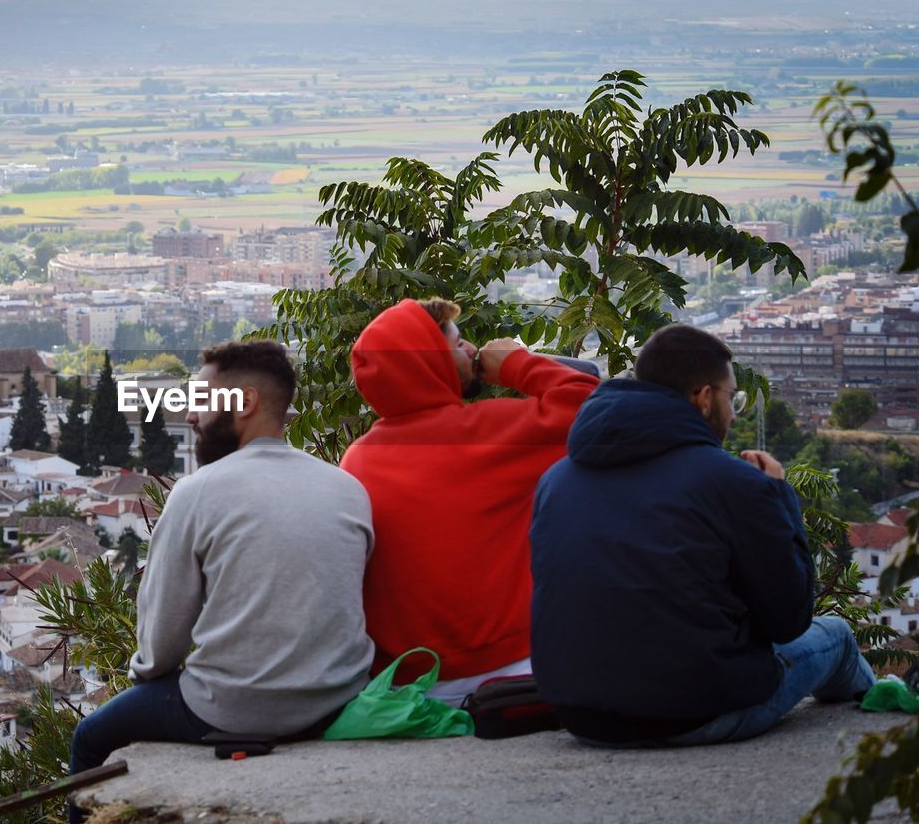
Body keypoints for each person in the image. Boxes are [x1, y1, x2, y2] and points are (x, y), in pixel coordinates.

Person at [68, 340, 374, 819]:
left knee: (89, 739)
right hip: (338, 699)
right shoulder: (347, 488)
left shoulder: (196, 491)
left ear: (245, 403)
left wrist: (149, 682)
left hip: (230, 710)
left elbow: (160, 648)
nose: (191, 415)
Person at [530, 323, 874, 747]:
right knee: (836, 636)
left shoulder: (556, 478)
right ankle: (878, 738)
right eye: (733, 399)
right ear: (705, 397)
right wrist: (777, 496)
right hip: (696, 712)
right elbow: (789, 620)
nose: (733, 413)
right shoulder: (734, 485)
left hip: (579, 714)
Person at [340, 298, 599, 705]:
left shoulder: (357, 458)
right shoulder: (487, 430)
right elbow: (595, 408)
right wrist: (516, 363)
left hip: (406, 683)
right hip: (511, 668)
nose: (471, 350)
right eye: (458, 343)